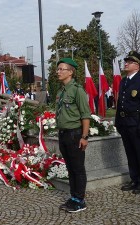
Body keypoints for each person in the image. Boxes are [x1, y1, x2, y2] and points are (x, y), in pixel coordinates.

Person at [115, 51, 140, 195]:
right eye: (126, 61)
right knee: (130, 153)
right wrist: (118, 122)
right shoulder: (124, 81)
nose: (125, 63)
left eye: (129, 61)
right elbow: (120, 103)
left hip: (137, 124)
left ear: (137, 65)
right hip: (125, 123)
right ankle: (134, 178)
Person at [55, 58, 91, 213]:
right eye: (58, 69)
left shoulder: (77, 90)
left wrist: (84, 137)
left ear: (70, 72)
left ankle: (80, 200)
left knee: (78, 168)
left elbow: (85, 116)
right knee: (70, 168)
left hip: (74, 134)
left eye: (62, 69)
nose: (58, 71)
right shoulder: (61, 91)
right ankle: (74, 196)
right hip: (63, 135)